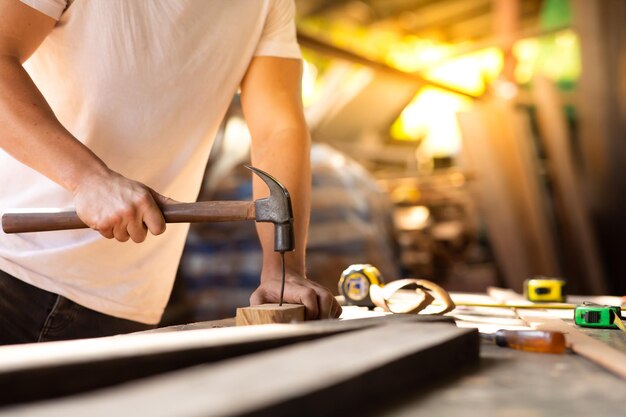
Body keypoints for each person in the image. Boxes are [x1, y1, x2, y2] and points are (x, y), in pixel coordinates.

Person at [0, 0, 341, 345]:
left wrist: (285, 271)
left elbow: (277, 129)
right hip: (11, 267)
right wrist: (88, 179)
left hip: (129, 299)